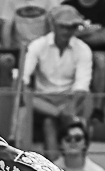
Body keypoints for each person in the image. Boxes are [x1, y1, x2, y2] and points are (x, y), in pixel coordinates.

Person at [23, 5, 94, 158]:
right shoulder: (37, 45)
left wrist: (71, 106)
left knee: (86, 99)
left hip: (70, 98)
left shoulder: (83, 49)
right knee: (26, 95)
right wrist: (61, 113)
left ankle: (75, 159)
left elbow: (82, 86)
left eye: (71, 27)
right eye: (63, 26)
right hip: (44, 100)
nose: (67, 31)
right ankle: (55, 165)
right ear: (53, 25)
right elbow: (24, 78)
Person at [66, 0, 105, 103]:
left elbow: (104, 38)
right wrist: (92, 30)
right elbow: (64, 34)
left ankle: (97, 107)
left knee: (101, 61)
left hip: (98, 51)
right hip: (71, 50)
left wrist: (78, 34)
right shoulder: (68, 6)